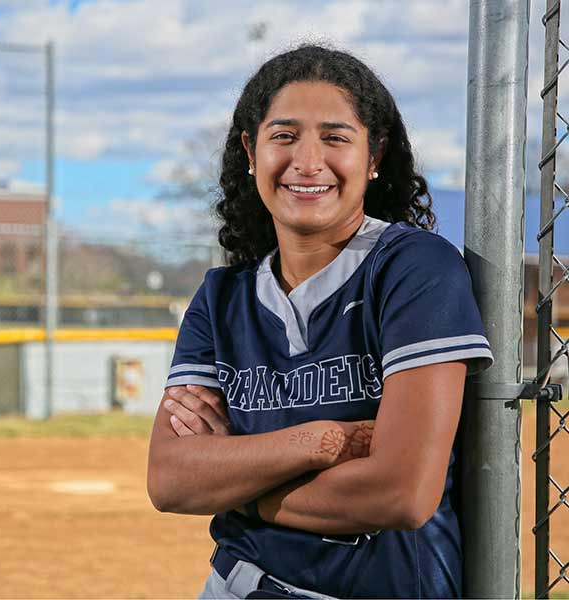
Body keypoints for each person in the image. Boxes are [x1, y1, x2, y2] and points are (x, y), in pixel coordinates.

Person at [147, 44, 494, 599]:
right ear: (250, 151)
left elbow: (401, 492)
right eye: (283, 136)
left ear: (374, 155)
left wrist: (237, 482)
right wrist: (324, 441)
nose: (307, 162)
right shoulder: (222, 296)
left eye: (335, 137)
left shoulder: (414, 269)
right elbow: (169, 479)